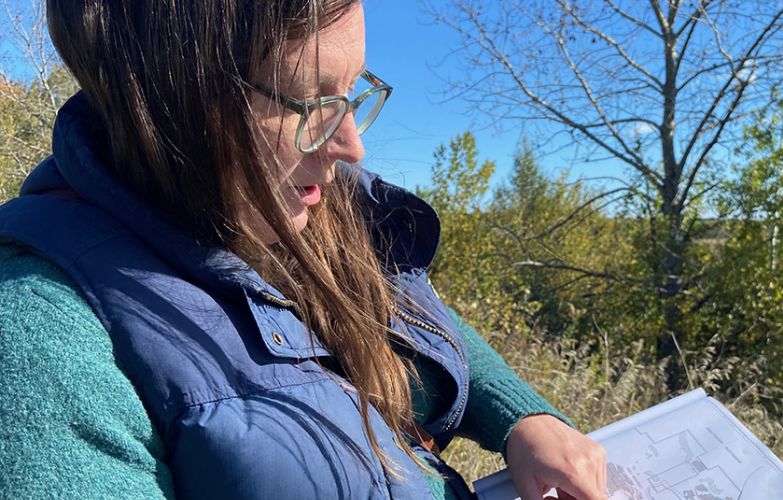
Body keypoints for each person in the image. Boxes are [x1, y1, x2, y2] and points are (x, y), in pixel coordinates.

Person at [0, 0, 606, 498]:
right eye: (312, 102)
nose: (350, 145)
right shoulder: (43, 338)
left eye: (351, 93)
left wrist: (524, 418)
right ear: (172, 101)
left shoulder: (310, 209)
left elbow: (415, 319)